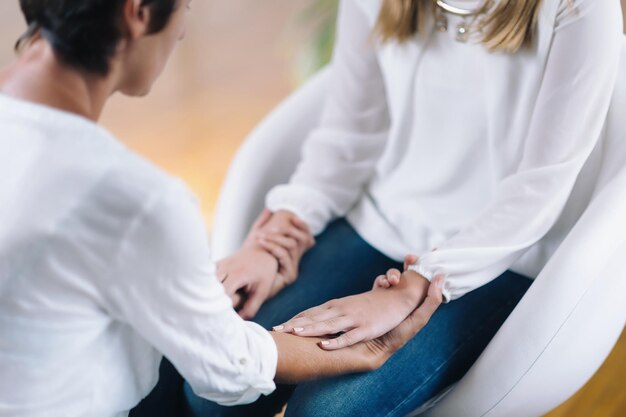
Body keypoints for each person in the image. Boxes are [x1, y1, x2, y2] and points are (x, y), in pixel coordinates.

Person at [0, 1, 445, 416]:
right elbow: (229, 368)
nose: (182, 30)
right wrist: (368, 347)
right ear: (137, 12)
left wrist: (189, 292)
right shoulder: (135, 200)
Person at [184, 0, 623, 416]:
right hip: (379, 221)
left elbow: (540, 187)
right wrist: (277, 239)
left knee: (329, 411)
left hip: (498, 258)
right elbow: (349, 135)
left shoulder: (580, 7)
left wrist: (414, 288)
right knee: (213, 388)